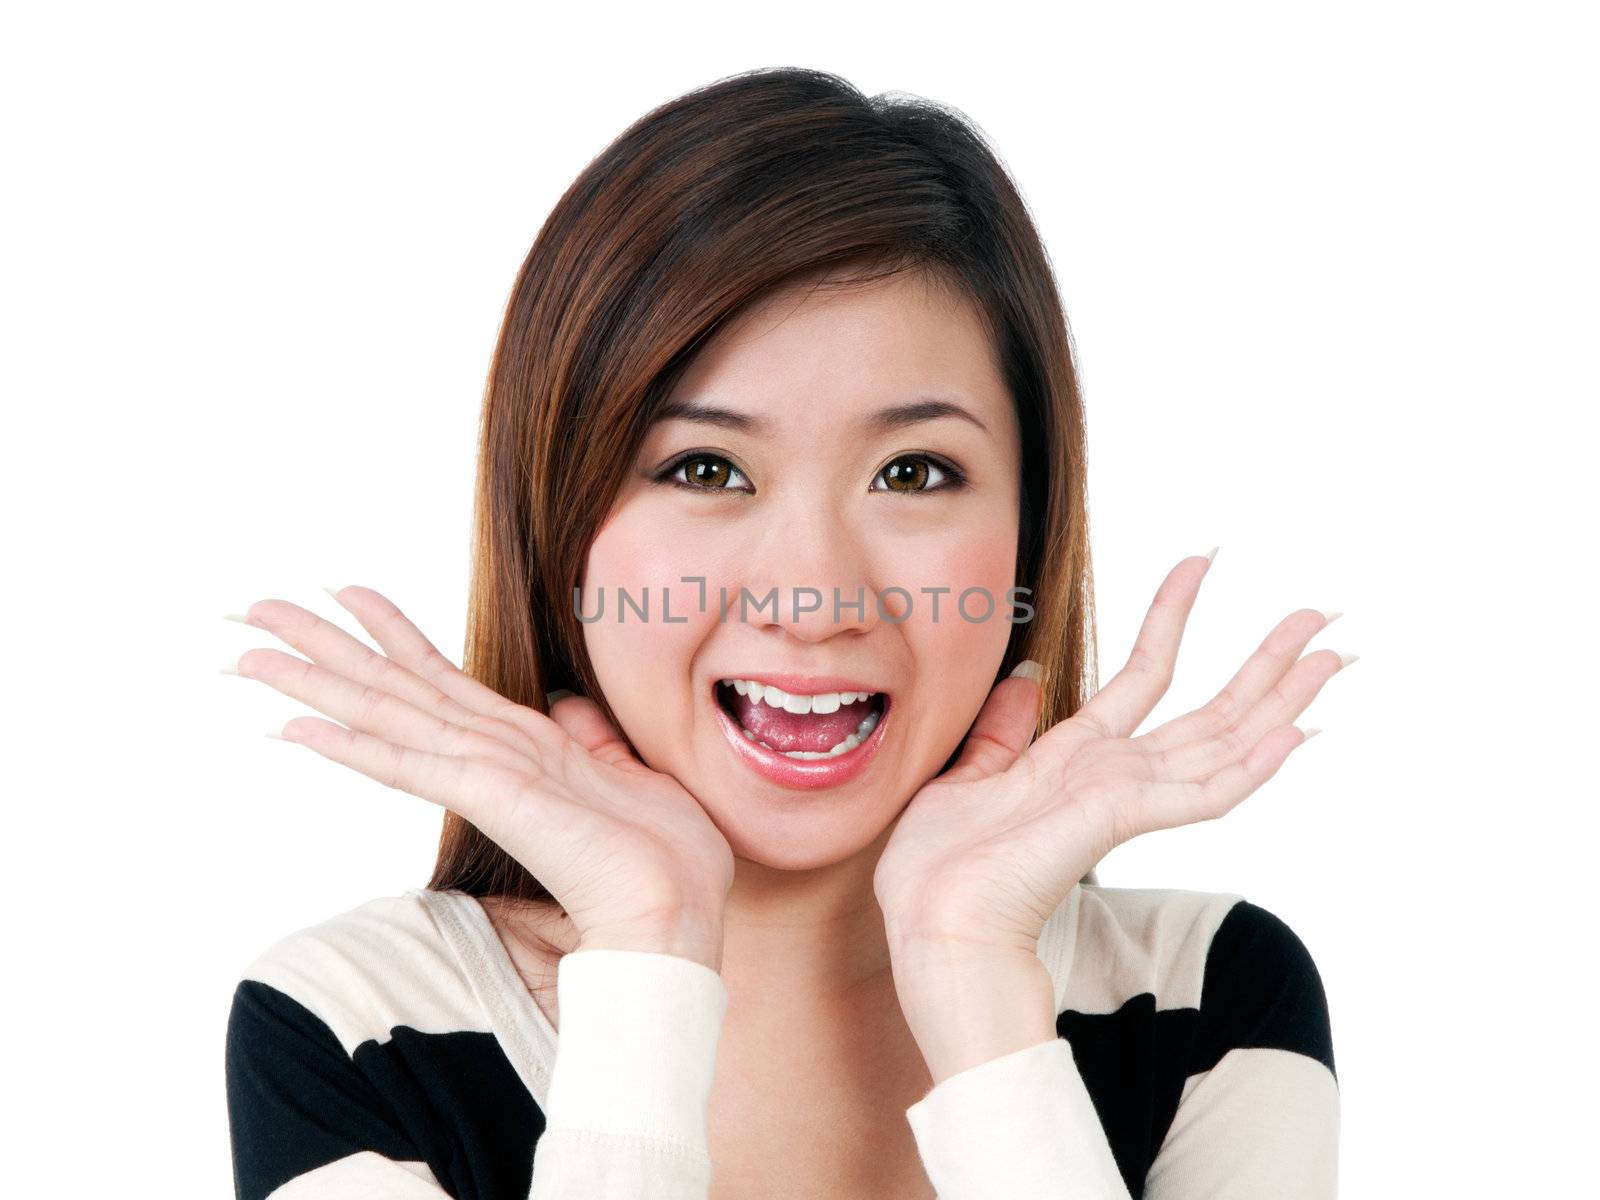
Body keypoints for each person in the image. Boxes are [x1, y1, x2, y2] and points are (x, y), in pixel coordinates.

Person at [222, 67, 1346, 1199]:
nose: (812, 600)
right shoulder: (359, 1024)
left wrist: (977, 990)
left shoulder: (1205, 997)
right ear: (561, 534)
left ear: (1028, 529)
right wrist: (648, 953)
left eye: (913, 473)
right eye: (705, 469)